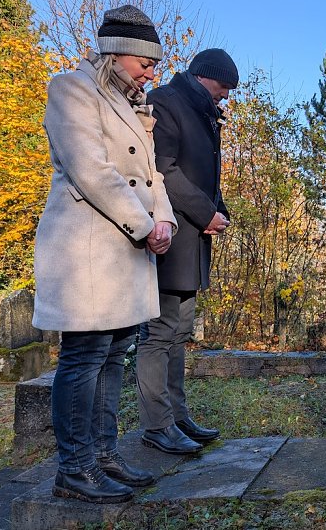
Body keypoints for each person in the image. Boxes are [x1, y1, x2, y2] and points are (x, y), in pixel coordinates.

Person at [32, 5, 177, 504]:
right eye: (146, 64)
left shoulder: (136, 106)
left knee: (115, 354)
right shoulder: (72, 89)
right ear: (119, 55)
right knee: (85, 357)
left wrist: (165, 222)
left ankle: (103, 455)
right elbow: (90, 170)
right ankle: (74, 468)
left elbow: (153, 177)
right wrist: (143, 223)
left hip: (129, 251)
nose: (151, 74)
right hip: (89, 250)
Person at [135, 49, 238, 454]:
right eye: (223, 88)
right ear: (202, 77)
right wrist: (203, 211)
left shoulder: (203, 111)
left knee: (179, 334)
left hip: (194, 241)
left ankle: (177, 417)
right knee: (159, 334)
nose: (225, 97)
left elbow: (204, 173)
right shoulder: (166, 102)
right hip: (169, 235)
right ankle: (156, 426)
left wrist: (219, 210)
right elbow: (163, 170)